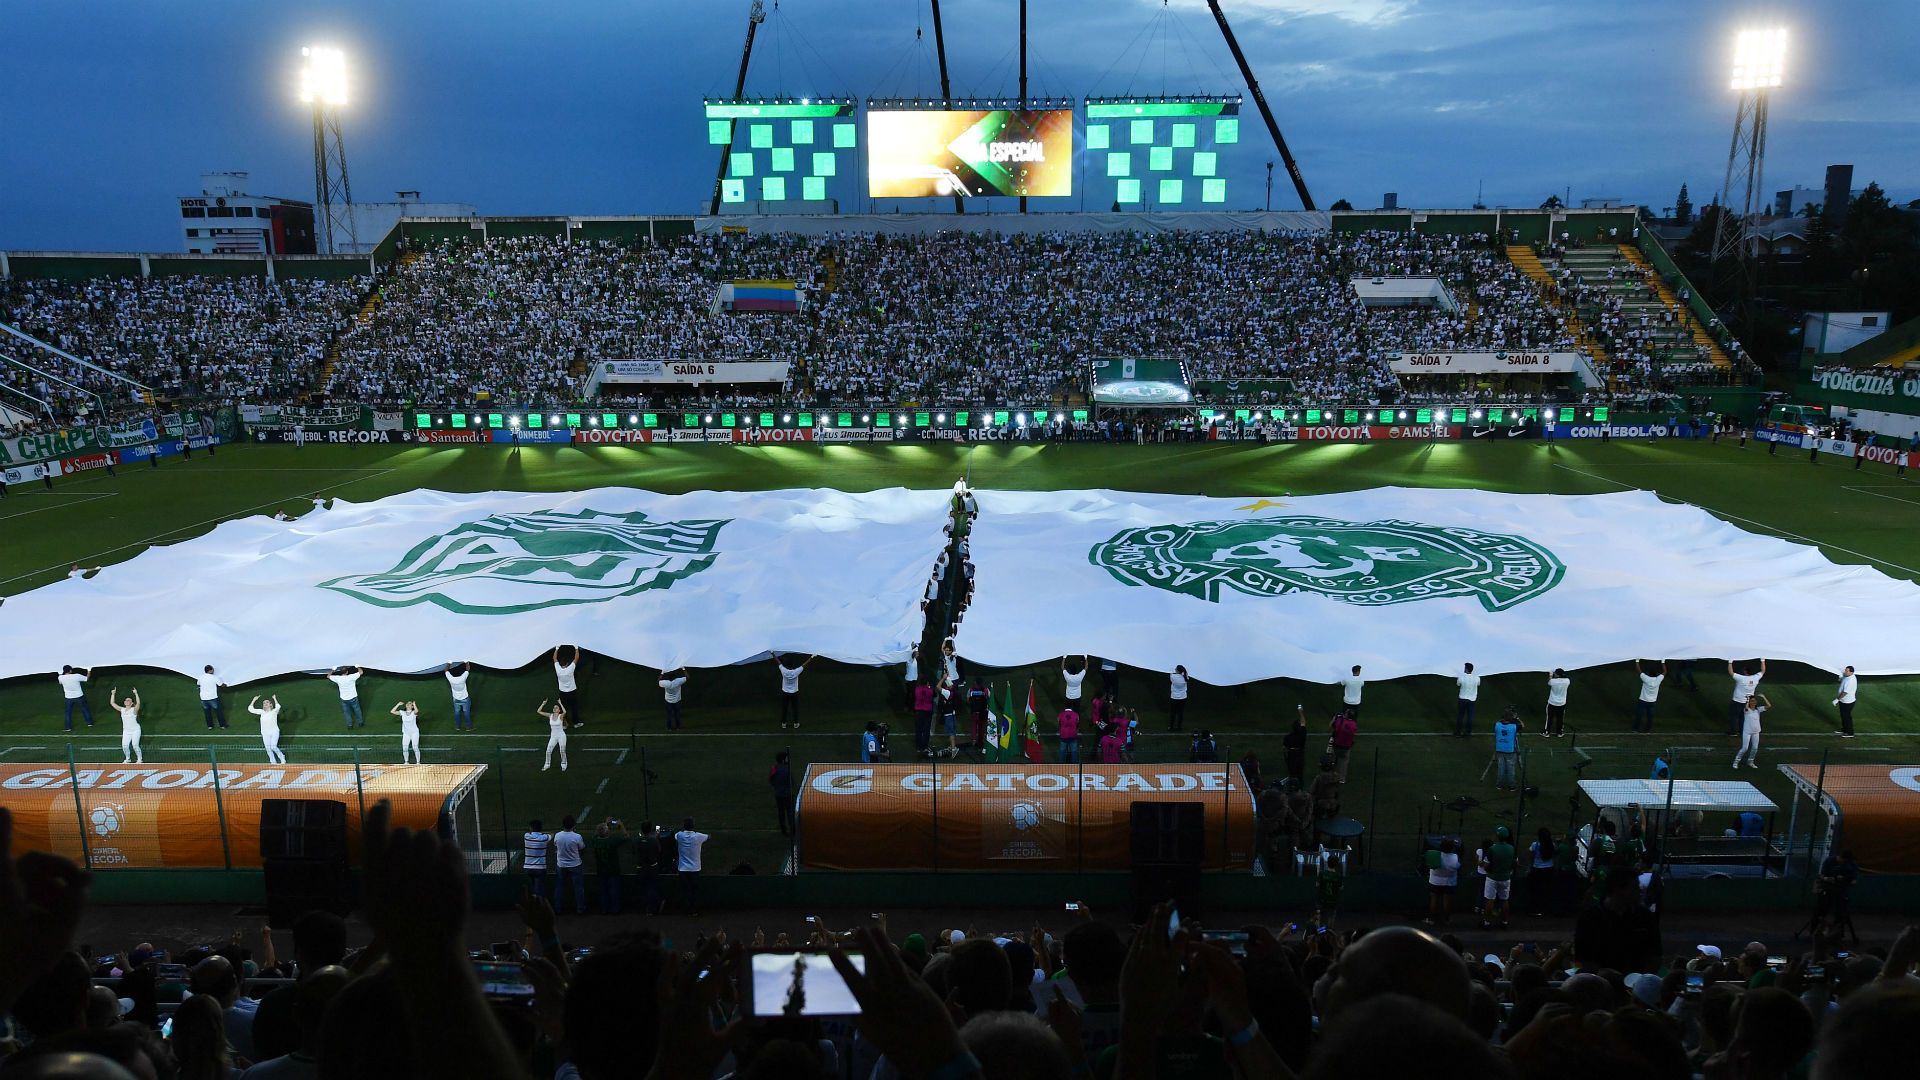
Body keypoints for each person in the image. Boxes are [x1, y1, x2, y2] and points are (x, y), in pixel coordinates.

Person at [1480, 825, 1516, 930]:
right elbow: (1513, 863)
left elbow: (1486, 865)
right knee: (1504, 900)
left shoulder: (1492, 848)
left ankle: (1486, 922)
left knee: (1490, 900)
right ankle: (1504, 922)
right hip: (1505, 877)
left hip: (1493, 877)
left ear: (1497, 836)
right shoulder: (1511, 848)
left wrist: (1487, 870)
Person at [590, 818, 628, 914]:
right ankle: (615, 910)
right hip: (613, 870)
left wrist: (604, 824)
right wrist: (621, 825)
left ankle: (604, 909)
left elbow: (595, 834)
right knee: (614, 891)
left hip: (601, 870)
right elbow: (626, 836)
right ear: (607, 832)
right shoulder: (612, 840)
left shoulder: (595, 841)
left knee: (603, 892)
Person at [674, 816, 709, 916]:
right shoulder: (698, 836)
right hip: (695, 869)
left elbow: (675, 835)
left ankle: (687, 910)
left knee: (685, 890)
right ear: (693, 826)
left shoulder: (679, 835)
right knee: (694, 890)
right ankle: (694, 910)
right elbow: (709, 836)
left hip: (683, 870)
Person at [552, 816, 586, 915]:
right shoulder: (577, 836)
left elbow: (556, 846)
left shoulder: (558, 835)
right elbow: (582, 848)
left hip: (561, 865)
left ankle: (557, 908)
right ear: (574, 825)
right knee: (578, 888)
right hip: (575, 865)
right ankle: (580, 909)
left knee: (559, 887)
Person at [1425, 837, 1460, 926]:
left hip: (1435, 882)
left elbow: (1429, 864)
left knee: (1433, 900)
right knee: (1447, 901)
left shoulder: (1434, 855)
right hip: (1449, 883)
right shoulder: (1455, 858)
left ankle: (1431, 919)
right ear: (1452, 848)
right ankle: (1447, 920)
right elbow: (1458, 867)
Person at [632, 820, 663, 916]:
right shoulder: (653, 840)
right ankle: (652, 908)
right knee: (652, 887)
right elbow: (659, 851)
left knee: (644, 888)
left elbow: (634, 851)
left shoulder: (636, 840)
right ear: (650, 830)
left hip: (641, 868)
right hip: (652, 867)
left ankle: (647, 908)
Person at [1728, 659, 1766, 736]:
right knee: (1743, 717)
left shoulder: (1741, 678)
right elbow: (1763, 671)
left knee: (1734, 717)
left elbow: (1731, 672)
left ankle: (1733, 732)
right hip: (1748, 702)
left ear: (1745, 671)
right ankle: (1742, 731)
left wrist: (1730, 662)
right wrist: (1763, 660)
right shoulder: (1755, 678)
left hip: (1737, 701)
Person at [776, 653, 815, 730]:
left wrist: (772, 653)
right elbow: (804, 664)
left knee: (785, 708)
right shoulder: (796, 672)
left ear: (786, 665)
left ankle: (784, 724)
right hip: (794, 693)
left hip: (785, 693)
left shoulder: (783, 670)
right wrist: (812, 657)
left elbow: (778, 662)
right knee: (795, 708)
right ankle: (796, 724)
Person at [1527, 827, 1558, 917]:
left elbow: (1530, 855)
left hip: (1537, 870)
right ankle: (1546, 909)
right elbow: (1555, 852)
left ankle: (1536, 909)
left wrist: (1530, 866)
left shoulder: (1535, 845)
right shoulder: (1551, 844)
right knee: (1546, 889)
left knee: (1536, 890)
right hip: (1549, 869)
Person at [1733, 692, 1769, 769]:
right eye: (1752, 701)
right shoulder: (1747, 710)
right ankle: (1736, 761)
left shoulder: (1758, 710)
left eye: (1755, 701)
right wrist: (1747, 700)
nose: (1754, 702)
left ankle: (1750, 761)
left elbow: (1769, 706)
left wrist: (1763, 697)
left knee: (1755, 748)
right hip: (1747, 732)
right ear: (1749, 702)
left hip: (1756, 732)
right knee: (1745, 748)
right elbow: (1746, 708)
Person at [249, 695, 287, 764]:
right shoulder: (261, 712)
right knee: (268, 748)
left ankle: (282, 757)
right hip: (265, 733)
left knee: (273, 746)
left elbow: (278, 706)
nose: (265, 704)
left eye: (267, 702)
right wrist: (254, 700)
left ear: (270, 704)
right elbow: (250, 709)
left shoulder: (274, 711)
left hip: (274, 732)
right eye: (264, 703)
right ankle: (273, 761)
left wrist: (275, 698)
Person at [552, 645, 583, 729]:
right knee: (574, 707)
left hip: (562, 692)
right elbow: (576, 658)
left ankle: (564, 724)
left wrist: (557, 648)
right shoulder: (570, 669)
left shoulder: (558, 669)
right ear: (566, 664)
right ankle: (576, 723)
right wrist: (576, 648)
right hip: (572, 692)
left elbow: (554, 658)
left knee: (563, 708)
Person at [110, 686, 142, 764]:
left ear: (131, 703)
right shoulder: (122, 710)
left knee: (135, 745)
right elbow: (112, 703)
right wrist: (113, 694)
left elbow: (138, 703)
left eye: (129, 700)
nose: (126, 701)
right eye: (126, 700)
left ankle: (139, 759)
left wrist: (136, 693)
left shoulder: (133, 710)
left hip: (135, 730)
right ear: (124, 703)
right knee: (125, 746)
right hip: (126, 731)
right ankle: (128, 759)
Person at [325, 665, 364, 729]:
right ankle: (360, 723)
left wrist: (333, 670)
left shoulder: (338, 678)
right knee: (357, 710)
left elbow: (328, 676)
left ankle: (349, 725)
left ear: (341, 672)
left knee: (347, 712)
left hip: (344, 699)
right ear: (347, 672)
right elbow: (361, 672)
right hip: (353, 697)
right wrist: (357, 667)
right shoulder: (351, 677)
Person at [522, 819, 552, 901]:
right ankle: (540, 905)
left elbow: (530, 833)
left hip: (528, 868)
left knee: (532, 890)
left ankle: (533, 902)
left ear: (531, 828)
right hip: (540, 869)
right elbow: (551, 835)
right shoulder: (544, 838)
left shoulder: (526, 836)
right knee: (540, 891)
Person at [1492, 707, 1521, 790]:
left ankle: (1499, 785)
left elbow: (1500, 721)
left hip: (1499, 749)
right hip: (1510, 750)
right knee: (1511, 769)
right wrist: (1517, 718)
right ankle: (1512, 786)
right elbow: (1522, 725)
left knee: (1500, 768)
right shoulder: (1514, 727)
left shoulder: (1497, 725)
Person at [57, 664, 93, 731]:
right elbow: (87, 678)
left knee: (68, 713)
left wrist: (59, 674)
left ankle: (68, 728)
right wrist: (89, 670)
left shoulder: (60, 677)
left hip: (68, 698)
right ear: (70, 670)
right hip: (79, 696)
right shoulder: (76, 676)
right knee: (85, 709)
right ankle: (90, 723)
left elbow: (60, 682)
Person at [1633, 659, 1665, 733]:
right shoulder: (1658, 680)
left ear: (1649, 674)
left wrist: (1637, 660)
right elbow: (1665, 672)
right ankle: (1647, 730)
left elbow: (1638, 669)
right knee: (1650, 717)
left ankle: (1635, 729)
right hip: (1652, 702)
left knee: (1639, 715)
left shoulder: (1646, 679)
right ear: (1656, 675)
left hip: (1643, 701)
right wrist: (1663, 662)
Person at [536, 699, 568, 771]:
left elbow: (565, 712)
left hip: (561, 736)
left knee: (562, 751)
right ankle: (547, 764)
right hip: (553, 736)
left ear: (559, 710)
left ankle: (564, 764)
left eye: (556, 707)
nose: (554, 708)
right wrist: (543, 703)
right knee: (548, 751)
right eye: (554, 707)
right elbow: (538, 711)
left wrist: (560, 703)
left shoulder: (560, 716)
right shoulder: (550, 715)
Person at [769, 750, 794, 836]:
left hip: (778, 793)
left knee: (781, 812)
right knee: (790, 812)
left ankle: (783, 830)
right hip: (787, 794)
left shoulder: (774, 768)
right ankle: (793, 830)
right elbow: (791, 782)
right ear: (783, 760)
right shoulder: (786, 770)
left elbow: (771, 780)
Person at [1330, 707, 1358, 783]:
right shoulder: (1354, 725)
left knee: (1333, 761)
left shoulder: (1340, 721)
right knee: (1344, 763)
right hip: (1346, 747)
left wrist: (1335, 717)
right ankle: (1341, 779)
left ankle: (1332, 776)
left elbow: (1331, 725)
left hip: (1337, 744)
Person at [196, 664, 227, 730]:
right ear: (210, 670)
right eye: (212, 669)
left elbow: (198, 684)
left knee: (207, 712)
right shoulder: (214, 677)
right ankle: (222, 725)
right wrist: (226, 684)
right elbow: (221, 685)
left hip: (203, 698)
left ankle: (210, 726)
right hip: (212, 697)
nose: (213, 670)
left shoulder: (201, 677)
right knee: (219, 712)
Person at [445, 661, 473, 730]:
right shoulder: (462, 678)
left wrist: (449, 663)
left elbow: (445, 670)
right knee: (466, 713)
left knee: (457, 713)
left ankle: (457, 726)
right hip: (465, 699)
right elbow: (467, 669)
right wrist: (466, 662)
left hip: (456, 699)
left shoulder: (450, 679)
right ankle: (468, 727)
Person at [910, 678, 935, 754]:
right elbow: (935, 695)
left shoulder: (916, 689)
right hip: (927, 712)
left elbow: (913, 698)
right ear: (927, 683)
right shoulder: (930, 690)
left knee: (918, 730)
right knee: (926, 730)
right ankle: (924, 747)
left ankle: (918, 747)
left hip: (918, 712)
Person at [1454, 662, 1479, 737]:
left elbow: (1458, 684)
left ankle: (1458, 732)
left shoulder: (1461, 677)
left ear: (1467, 669)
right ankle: (1468, 732)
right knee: (1470, 716)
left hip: (1463, 699)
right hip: (1472, 700)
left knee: (1460, 715)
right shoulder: (1477, 678)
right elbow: (1478, 684)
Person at [1284, 705, 1308, 784]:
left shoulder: (1288, 737)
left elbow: (1284, 748)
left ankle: (1292, 788)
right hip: (1300, 755)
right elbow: (1303, 723)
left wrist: (1286, 757)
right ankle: (1300, 788)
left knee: (1292, 774)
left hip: (1291, 756)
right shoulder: (1302, 735)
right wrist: (1301, 712)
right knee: (1300, 774)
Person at [1545, 668, 1571, 737]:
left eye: (1555, 673)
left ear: (1558, 675)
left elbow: (1548, 682)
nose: (1555, 674)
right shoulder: (1567, 681)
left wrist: (1550, 676)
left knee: (1549, 718)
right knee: (1560, 718)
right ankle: (1559, 733)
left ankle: (1547, 732)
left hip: (1552, 702)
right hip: (1562, 703)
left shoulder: (1553, 681)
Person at [1835, 664, 1858, 738]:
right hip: (1843, 701)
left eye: (1847, 671)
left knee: (1847, 717)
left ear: (1851, 672)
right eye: (1845, 670)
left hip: (1848, 702)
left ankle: (1850, 733)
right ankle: (1845, 730)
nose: (1845, 671)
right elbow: (1840, 680)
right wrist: (1840, 676)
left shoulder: (1851, 680)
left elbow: (1845, 692)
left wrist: (1837, 699)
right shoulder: (1847, 676)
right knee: (1843, 716)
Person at [1168, 664, 1189, 731]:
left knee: (1173, 713)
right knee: (1180, 713)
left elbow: (1171, 672)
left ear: (1177, 670)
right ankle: (1179, 727)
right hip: (1183, 698)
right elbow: (1186, 674)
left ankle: (1171, 727)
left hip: (1174, 697)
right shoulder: (1185, 677)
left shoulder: (1173, 676)